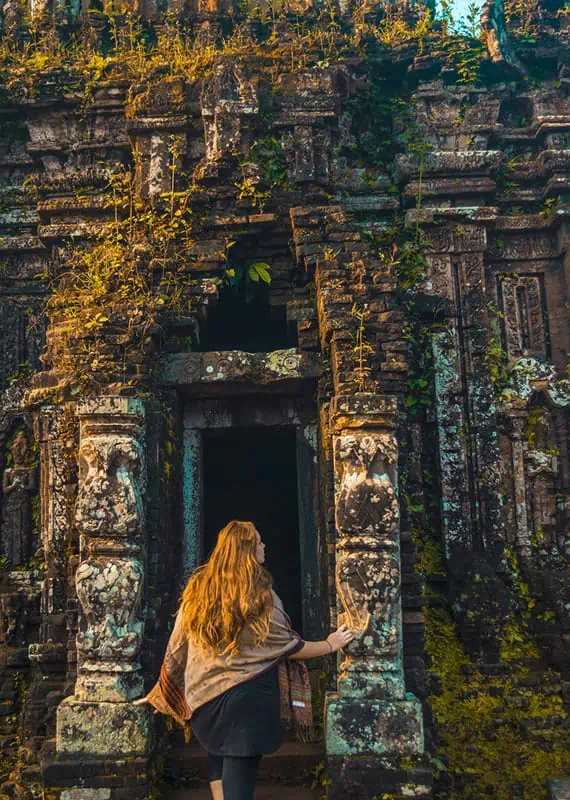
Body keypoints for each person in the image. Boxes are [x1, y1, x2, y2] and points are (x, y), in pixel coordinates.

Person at [134, 519, 354, 800]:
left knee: (218, 756)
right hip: (248, 700)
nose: (264, 546)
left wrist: (168, 685)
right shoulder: (259, 593)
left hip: (206, 697)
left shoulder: (199, 589)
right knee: (239, 783)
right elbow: (286, 645)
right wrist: (329, 644)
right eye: (259, 542)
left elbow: (179, 643)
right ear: (247, 550)